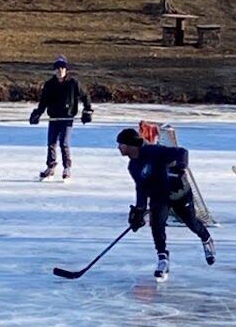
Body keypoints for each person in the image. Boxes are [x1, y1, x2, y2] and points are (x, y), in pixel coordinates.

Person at [116, 128, 215, 282]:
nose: (119, 148)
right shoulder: (133, 166)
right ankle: (163, 259)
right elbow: (141, 187)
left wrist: (179, 166)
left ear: (131, 145)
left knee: (191, 223)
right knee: (156, 226)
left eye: (121, 144)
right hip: (158, 197)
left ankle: (206, 239)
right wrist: (139, 210)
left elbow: (182, 152)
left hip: (179, 193)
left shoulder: (154, 151)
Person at [30, 55, 93, 182]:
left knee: (64, 143)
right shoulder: (49, 85)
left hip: (67, 118)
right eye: (57, 68)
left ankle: (67, 168)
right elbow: (44, 102)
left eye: (62, 68)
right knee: (51, 143)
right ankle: (51, 167)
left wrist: (87, 111)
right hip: (54, 118)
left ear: (66, 69)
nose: (60, 71)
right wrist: (37, 113)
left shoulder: (73, 83)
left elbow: (85, 96)